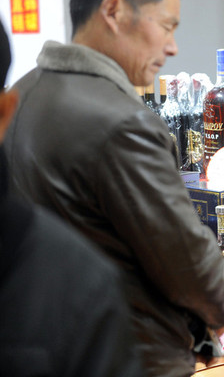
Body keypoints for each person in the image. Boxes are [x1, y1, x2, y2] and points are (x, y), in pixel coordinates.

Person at [4, 0, 224, 376]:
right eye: (166, 25)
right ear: (113, 10)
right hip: (129, 353)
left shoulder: (20, 95)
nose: (172, 47)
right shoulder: (124, 122)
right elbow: (189, 262)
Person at [0, 19, 143, 376]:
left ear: (4, 113)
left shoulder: (77, 285)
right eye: (166, 25)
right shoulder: (77, 280)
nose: (170, 45)